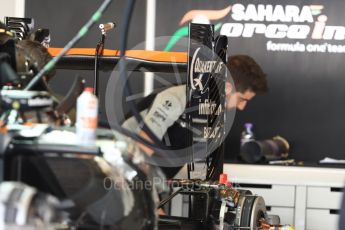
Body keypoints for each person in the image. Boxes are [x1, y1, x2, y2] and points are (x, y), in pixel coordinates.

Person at [123, 54, 268, 178]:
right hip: (120, 170)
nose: (242, 107)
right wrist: (151, 199)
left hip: (149, 179)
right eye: (242, 99)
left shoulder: (212, 112)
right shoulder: (178, 98)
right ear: (227, 88)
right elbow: (141, 150)